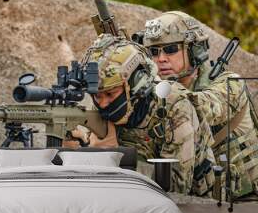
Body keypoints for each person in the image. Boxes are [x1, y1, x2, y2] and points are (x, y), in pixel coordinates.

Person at [70, 33, 216, 196]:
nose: (102, 104)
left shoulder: (174, 108)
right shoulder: (103, 101)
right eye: (97, 96)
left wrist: (114, 157)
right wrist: (76, 153)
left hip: (196, 209)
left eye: (110, 94)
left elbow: (176, 188)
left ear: (135, 85)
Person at [143, 11, 258, 197]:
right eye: (154, 52)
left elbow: (197, 108)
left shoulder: (230, 84)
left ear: (194, 49)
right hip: (201, 200)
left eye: (171, 49)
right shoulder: (159, 93)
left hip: (245, 205)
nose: (161, 58)